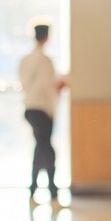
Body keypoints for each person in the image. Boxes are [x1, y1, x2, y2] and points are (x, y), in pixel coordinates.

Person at [19, 20, 67, 208]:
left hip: (30, 108)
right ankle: (52, 196)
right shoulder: (45, 61)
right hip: (42, 110)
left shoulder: (26, 59)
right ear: (48, 36)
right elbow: (49, 88)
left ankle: (35, 193)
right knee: (46, 151)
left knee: (41, 150)